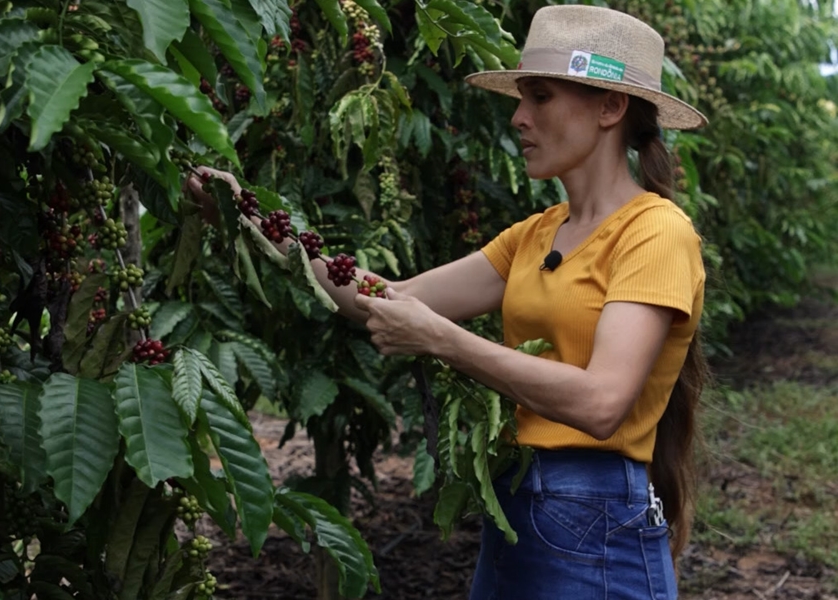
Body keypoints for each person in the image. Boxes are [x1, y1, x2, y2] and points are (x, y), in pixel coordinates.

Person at [189, 5, 709, 598]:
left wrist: (442, 339)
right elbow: (389, 300)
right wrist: (254, 227)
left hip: (593, 520)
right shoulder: (537, 234)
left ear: (610, 108)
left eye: (539, 97)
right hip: (518, 505)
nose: (518, 117)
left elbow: (601, 403)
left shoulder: (655, 233)